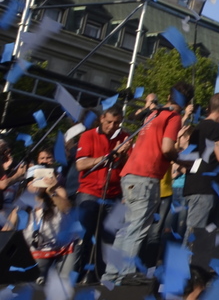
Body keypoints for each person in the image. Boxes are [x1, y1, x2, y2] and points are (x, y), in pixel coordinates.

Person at [103, 82, 190, 285]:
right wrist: (182, 161)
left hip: (130, 173)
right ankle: (126, 273)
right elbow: (167, 148)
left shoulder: (153, 114)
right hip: (146, 175)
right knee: (138, 226)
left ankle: (111, 274)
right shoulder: (173, 117)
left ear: (168, 96)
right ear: (186, 103)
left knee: (126, 227)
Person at [72, 107, 128, 279]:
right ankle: (76, 275)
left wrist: (123, 156)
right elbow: (81, 164)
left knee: (110, 239)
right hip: (89, 191)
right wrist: (109, 156)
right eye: (109, 122)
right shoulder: (88, 135)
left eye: (116, 123)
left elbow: (126, 166)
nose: (112, 126)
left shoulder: (125, 137)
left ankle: (100, 276)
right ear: (102, 118)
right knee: (84, 235)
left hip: (114, 193)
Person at [183, 93, 219, 236]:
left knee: (205, 236)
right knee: (196, 235)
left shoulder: (199, 127)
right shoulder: (214, 127)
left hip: (194, 185)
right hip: (205, 189)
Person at [11, 167, 74, 283]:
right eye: (32, 180)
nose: (36, 183)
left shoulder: (57, 193)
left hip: (64, 248)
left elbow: (66, 208)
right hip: (39, 250)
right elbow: (8, 229)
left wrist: (51, 191)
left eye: (40, 179)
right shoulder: (22, 203)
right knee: (35, 283)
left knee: (65, 283)